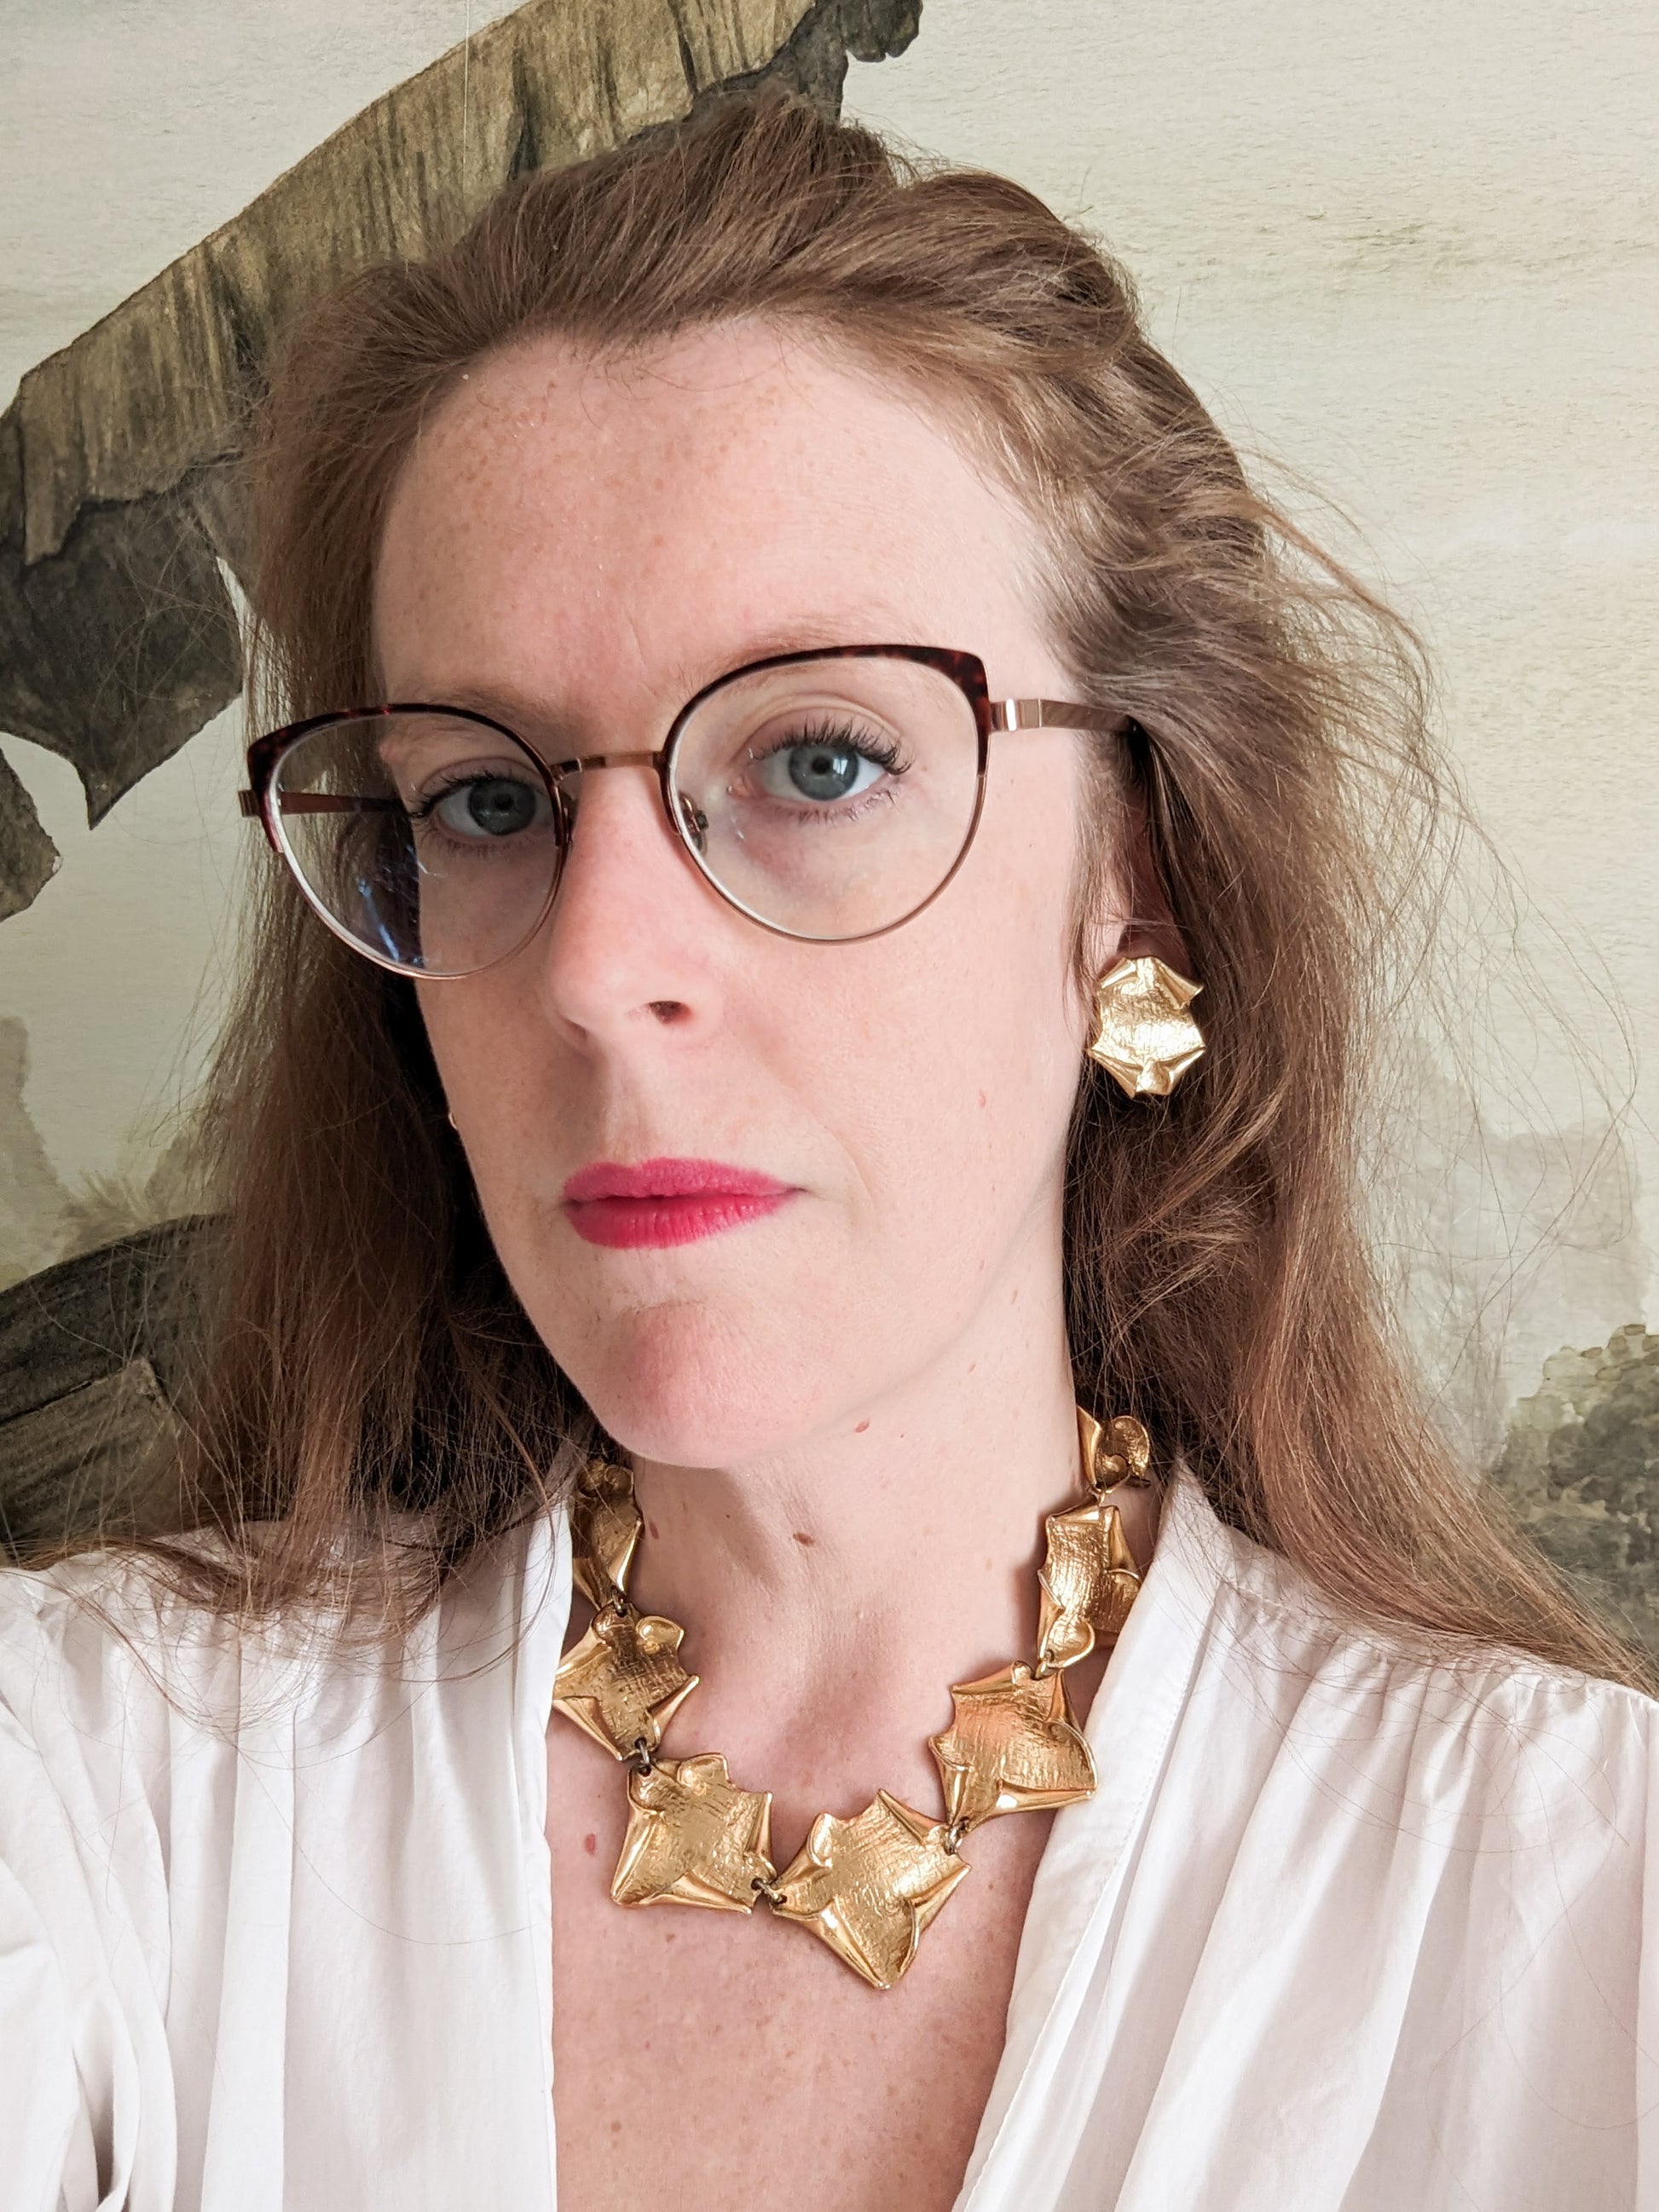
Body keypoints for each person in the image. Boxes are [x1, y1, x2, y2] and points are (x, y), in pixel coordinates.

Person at [1, 91, 1653, 2212]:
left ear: (1133, 875)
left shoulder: (1580, 1926)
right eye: (485, 801)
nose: (597, 967)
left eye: (818, 759)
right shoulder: (104, 1806)